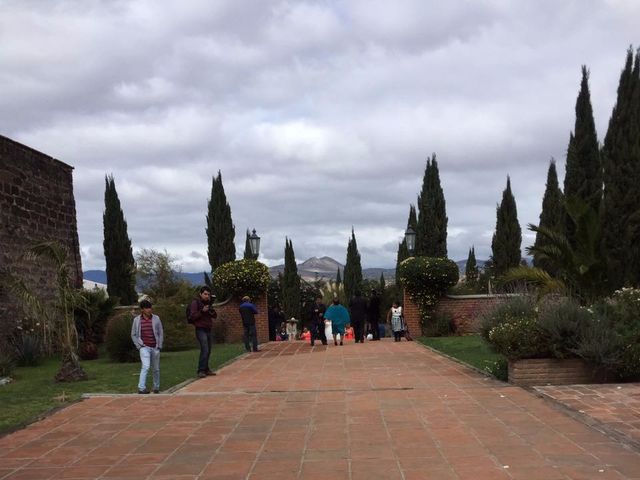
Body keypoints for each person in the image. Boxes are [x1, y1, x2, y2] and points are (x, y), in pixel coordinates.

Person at [131, 299, 164, 394]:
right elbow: (133, 334)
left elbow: (160, 332)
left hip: (155, 346)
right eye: (147, 308)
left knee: (156, 368)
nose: (149, 310)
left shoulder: (156, 318)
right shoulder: (137, 320)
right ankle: (141, 388)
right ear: (142, 309)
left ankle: (156, 387)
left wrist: (159, 345)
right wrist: (138, 346)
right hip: (144, 347)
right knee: (145, 366)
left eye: (150, 307)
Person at [189, 286, 217, 378]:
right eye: (205, 294)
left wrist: (211, 310)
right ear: (200, 294)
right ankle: (200, 370)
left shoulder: (209, 303)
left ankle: (206, 369)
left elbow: (214, 315)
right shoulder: (195, 303)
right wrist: (202, 311)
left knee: (208, 350)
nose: (207, 296)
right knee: (205, 349)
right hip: (200, 329)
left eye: (208, 294)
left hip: (208, 328)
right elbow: (193, 316)